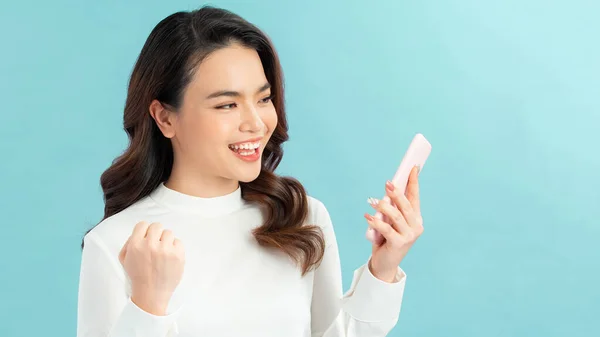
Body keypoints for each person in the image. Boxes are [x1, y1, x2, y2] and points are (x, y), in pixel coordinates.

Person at [76, 5, 425, 337]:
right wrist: (148, 307)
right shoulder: (115, 243)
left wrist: (383, 269)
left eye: (263, 98)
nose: (257, 123)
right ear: (165, 117)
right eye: (227, 104)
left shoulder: (300, 217)